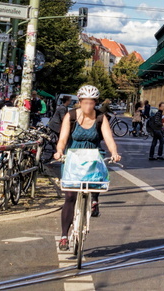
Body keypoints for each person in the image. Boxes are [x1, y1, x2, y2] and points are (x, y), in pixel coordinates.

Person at [53, 85, 121, 252]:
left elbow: (108, 138)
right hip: (73, 158)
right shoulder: (71, 116)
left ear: (95, 103)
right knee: (70, 196)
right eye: (85, 103)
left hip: (92, 157)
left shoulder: (100, 118)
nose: (88, 106)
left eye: (91, 103)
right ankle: (64, 235)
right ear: (80, 102)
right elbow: (63, 138)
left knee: (97, 177)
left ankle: (95, 200)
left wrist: (114, 152)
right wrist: (59, 151)